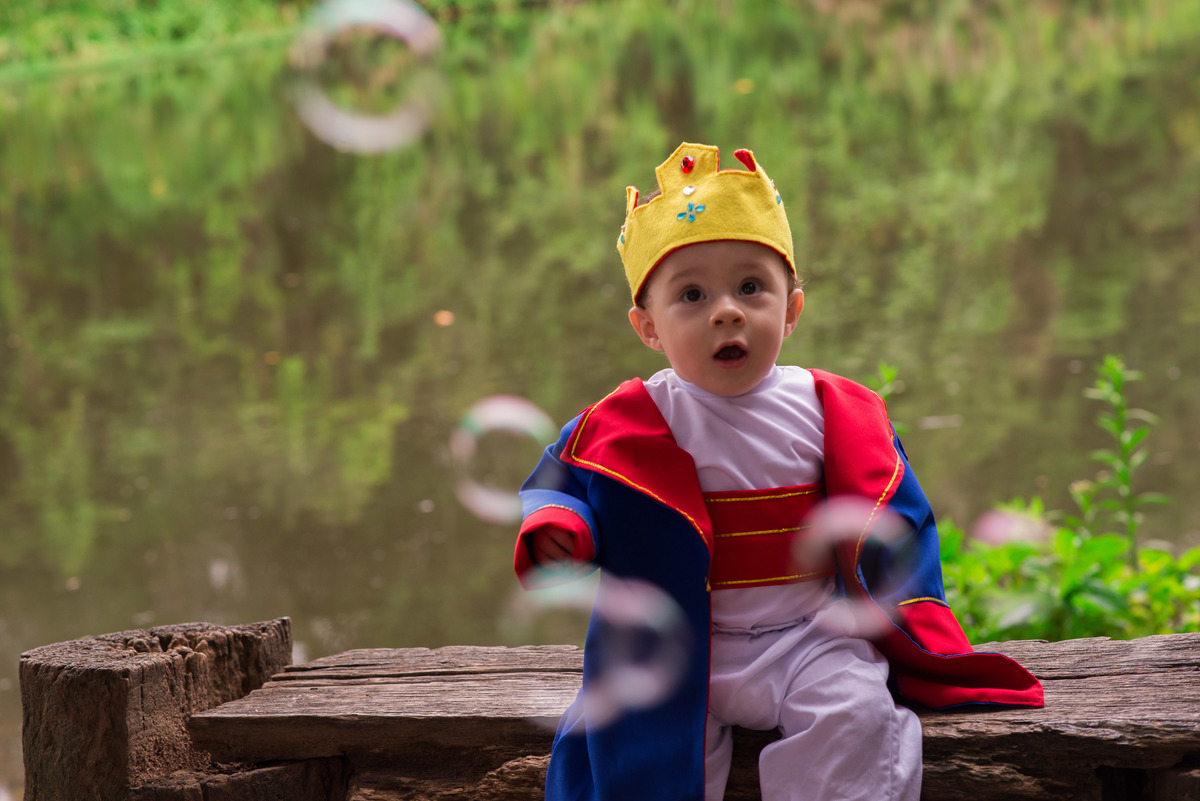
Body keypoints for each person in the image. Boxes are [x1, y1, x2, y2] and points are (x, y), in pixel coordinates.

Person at [513, 142, 1043, 801]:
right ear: (648, 327)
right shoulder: (629, 420)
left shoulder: (831, 411)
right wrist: (560, 527)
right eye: (692, 295)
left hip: (809, 637)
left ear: (791, 310)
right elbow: (561, 481)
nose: (727, 310)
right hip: (682, 645)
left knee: (855, 716)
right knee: (637, 751)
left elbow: (900, 519)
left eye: (751, 287)